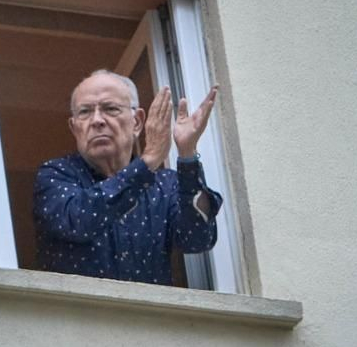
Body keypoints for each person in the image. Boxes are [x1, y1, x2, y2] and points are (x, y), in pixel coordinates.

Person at [33, 69, 222, 285]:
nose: (96, 120)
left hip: (149, 318)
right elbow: (79, 221)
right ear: (74, 128)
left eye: (110, 109)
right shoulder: (55, 175)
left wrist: (187, 154)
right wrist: (149, 160)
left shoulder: (165, 185)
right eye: (85, 112)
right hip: (77, 317)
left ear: (137, 122)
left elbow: (197, 239)